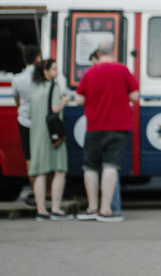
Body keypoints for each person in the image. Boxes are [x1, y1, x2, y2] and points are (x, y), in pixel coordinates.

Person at [76, 45, 138, 223]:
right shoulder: (123, 70)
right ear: (113, 52)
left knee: (90, 167)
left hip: (94, 126)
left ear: (97, 54)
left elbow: (79, 99)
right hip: (118, 127)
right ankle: (106, 209)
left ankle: (92, 207)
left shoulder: (89, 72)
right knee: (111, 166)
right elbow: (135, 96)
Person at [28, 57, 71, 220]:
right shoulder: (54, 87)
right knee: (59, 170)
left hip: (37, 134)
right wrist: (64, 100)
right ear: (45, 72)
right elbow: (55, 108)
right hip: (52, 135)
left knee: (40, 172)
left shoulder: (36, 90)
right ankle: (56, 208)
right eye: (54, 69)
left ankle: (41, 210)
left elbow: (30, 114)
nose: (57, 72)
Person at [12, 43, 41, 199]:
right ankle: (45, 193)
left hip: (24, 120)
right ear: (38, 58)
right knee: (42, 157)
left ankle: (36, 191)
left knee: (29, 158)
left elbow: (16, 100)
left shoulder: (17, 79)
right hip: (41, 122)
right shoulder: (43, 77)